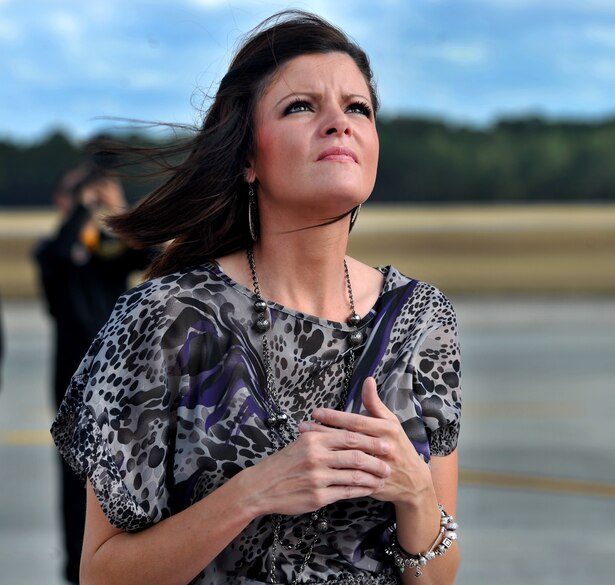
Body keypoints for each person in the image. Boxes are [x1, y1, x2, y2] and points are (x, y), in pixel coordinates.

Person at [50, 10, 462, 585]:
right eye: (301, 106)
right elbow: (102, 573)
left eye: (357, 108)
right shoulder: (167, 319)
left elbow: (437, 576)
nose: (338, 123)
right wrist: (254, 491)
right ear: (247, 157)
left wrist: (417, 494)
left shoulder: (421, 320)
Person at [35, 162, 155, 584]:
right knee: (74, 485)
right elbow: (61, 256)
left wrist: (118, 211)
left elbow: (154, 257)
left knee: (124, 477)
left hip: (121, 382)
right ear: (61, 201)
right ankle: (76, 571)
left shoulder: (107, 250)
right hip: (71, 381)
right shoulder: (51, 249)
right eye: (77, 192)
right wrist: (80, 211)